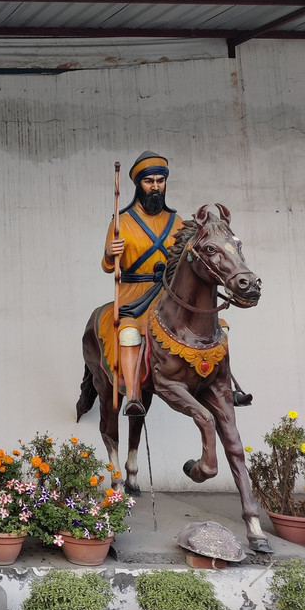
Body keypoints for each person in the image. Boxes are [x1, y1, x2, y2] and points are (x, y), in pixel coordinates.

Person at [101, 151, 181, 418]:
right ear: (139, 185)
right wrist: (111, 253)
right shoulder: (121, 221)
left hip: (170, 294)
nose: (156, 186)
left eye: (160, 180)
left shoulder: (177, 222)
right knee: (128, 334)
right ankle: (134, 396)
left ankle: (225, 385)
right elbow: (108, 267)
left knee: (214, 328)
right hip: (135, 293)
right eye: (149, 181)